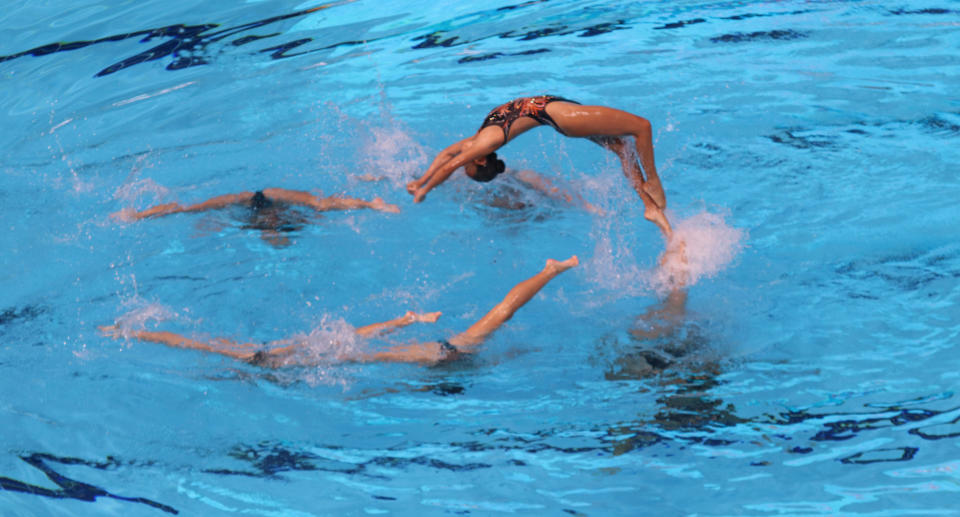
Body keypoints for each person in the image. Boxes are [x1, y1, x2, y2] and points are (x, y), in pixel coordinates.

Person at [100, 256, 579, 366]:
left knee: (497, 322)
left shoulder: (298, 360)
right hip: (431, 352)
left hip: (436, 357)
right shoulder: (311, 349)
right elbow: (359, 333)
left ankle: (551, 271)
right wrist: (405, 320)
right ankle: (550, 272)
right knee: (500, 325)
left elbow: (192, 343)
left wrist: (133, 335)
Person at [406, 95, 671, 236]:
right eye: (468, 167)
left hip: (559, 109)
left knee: (623, 148)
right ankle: (653, 182)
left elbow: (445, 157)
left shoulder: (478, 141)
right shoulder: (485, 143)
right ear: (480, 160)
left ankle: (649, 206)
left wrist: (422, 182)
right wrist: (425, 190)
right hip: (562, 117)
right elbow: (449, 167)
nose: (461, 163)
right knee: (641, 127)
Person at [113, 187, 400, 246]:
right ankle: (140, 215)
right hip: (257, 206)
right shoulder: (287, 222)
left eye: (270, 230)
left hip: (265, 196)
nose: (271, 228)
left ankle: (371, 203)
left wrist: (138, 215)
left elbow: (180, 207)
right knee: (192, 211)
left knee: (321, 204)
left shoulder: (261, 204)